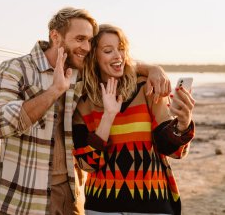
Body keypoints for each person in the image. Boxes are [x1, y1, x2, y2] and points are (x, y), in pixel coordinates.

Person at [0, 7, 171, 215]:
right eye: (80, 39)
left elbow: (117, 63)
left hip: (71, 196)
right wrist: (54, 91)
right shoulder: (15, 69)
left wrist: (154, 70)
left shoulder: (80, 70)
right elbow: (0, 125)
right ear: (55, 36)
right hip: (26, 197)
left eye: (90, 41)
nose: (86, 47)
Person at [72, 24, 195, 215]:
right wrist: (108, 116)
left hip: (152, 204)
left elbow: (173, 150)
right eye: (108, 50)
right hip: (102, 207)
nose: (118, 56)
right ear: (93, 56)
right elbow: (88, 164)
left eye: (121, 48)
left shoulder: (147, 87)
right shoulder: (83, 102)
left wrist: (183, 123)